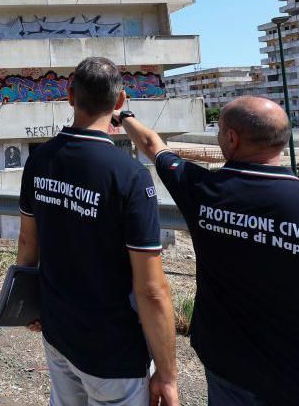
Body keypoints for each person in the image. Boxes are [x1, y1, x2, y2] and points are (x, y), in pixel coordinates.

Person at [117, 96, 299, 406]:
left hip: (228, 373)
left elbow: (153, 145)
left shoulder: (202, 192)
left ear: (231, 139)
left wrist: (124, 116)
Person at [16, 57, 179, 406]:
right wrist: (166, 375)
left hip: (58, 333)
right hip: (113, 353)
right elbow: (151, 289)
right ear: (119, 103)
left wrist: (29, 304)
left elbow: (28, 241)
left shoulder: (39, 160)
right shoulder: (130, 176)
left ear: (69, 95)